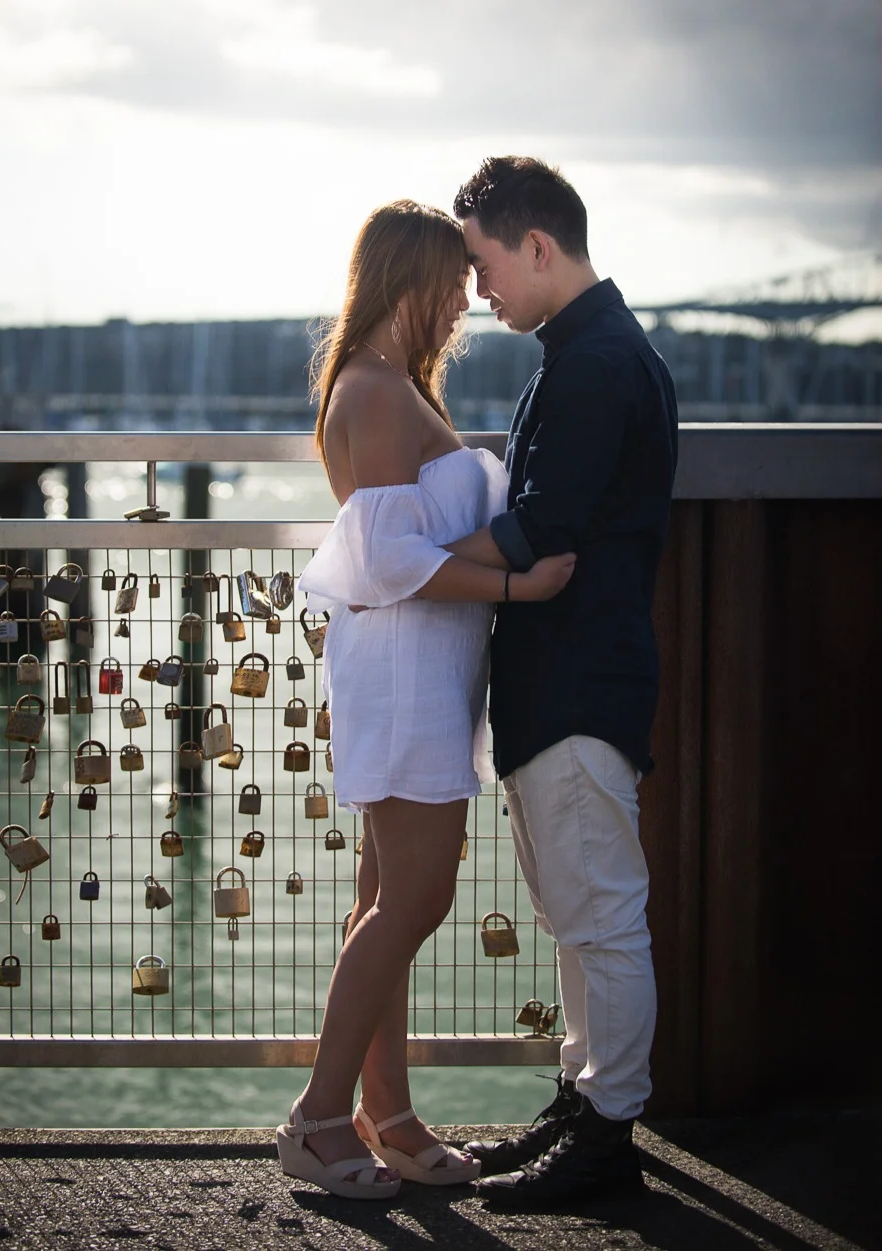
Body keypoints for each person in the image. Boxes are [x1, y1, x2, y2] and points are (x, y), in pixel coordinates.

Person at [279, 199, 576, 1200]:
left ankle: (389, 1117)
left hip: (418, 669)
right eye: (452, 283)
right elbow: (384, 561)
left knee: (386, 900)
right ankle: (318, 1119)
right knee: (415, 898)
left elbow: (407, 545)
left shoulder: (393, 387)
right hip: (404, 672)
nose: (464, 303)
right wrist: (517, 586)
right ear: (407, 277)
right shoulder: (373, 390)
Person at [446, 157, 679, 1209]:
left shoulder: (593, 364)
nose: (476, 290)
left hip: (578, 682)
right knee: (575, 916)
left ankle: (607, 1139)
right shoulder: (587, 351)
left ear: (536, 245)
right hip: (567, 682)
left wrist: (407, 552)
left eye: (483, 265)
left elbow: (544, 528)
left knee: (601, 918)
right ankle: (584, 1105)